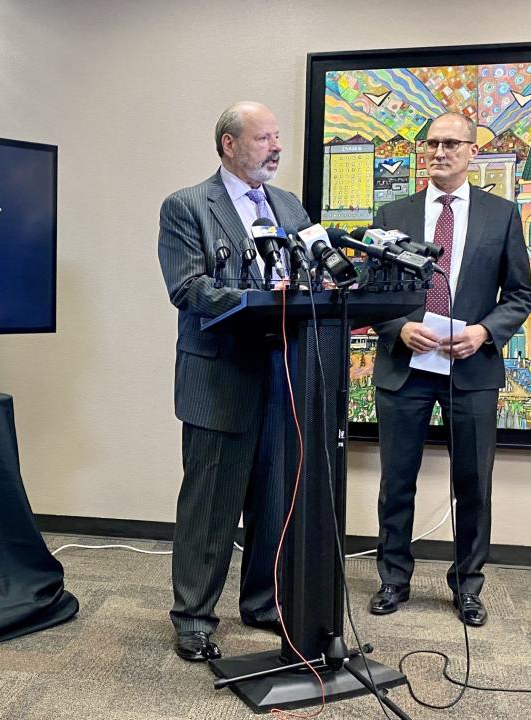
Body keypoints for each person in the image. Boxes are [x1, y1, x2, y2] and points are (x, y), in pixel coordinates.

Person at [157, 101, 311, 661]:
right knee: (211, 505)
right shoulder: (187, 206)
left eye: (277, 138)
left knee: (275, 498)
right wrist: (256, 302)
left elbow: (307, 275)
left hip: (282, 377)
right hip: (219, 376)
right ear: (228, 144)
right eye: (263, 138)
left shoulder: (290, 205)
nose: (275, 147)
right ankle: (194, 616)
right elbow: (188, 287)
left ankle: (264, 604)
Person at [369, 111, 531, 627]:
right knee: (397, 481)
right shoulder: (391, 212)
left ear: (471, 151)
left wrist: (484, 332)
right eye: (432, 144)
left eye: (450, 144)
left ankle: (467, 586)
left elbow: (521, 294)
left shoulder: (501, 214)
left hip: (472, 367)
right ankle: (393, 579)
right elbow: (372, 291)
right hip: (406, 366)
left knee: (473, 483)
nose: (440, 152)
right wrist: (398, 326)